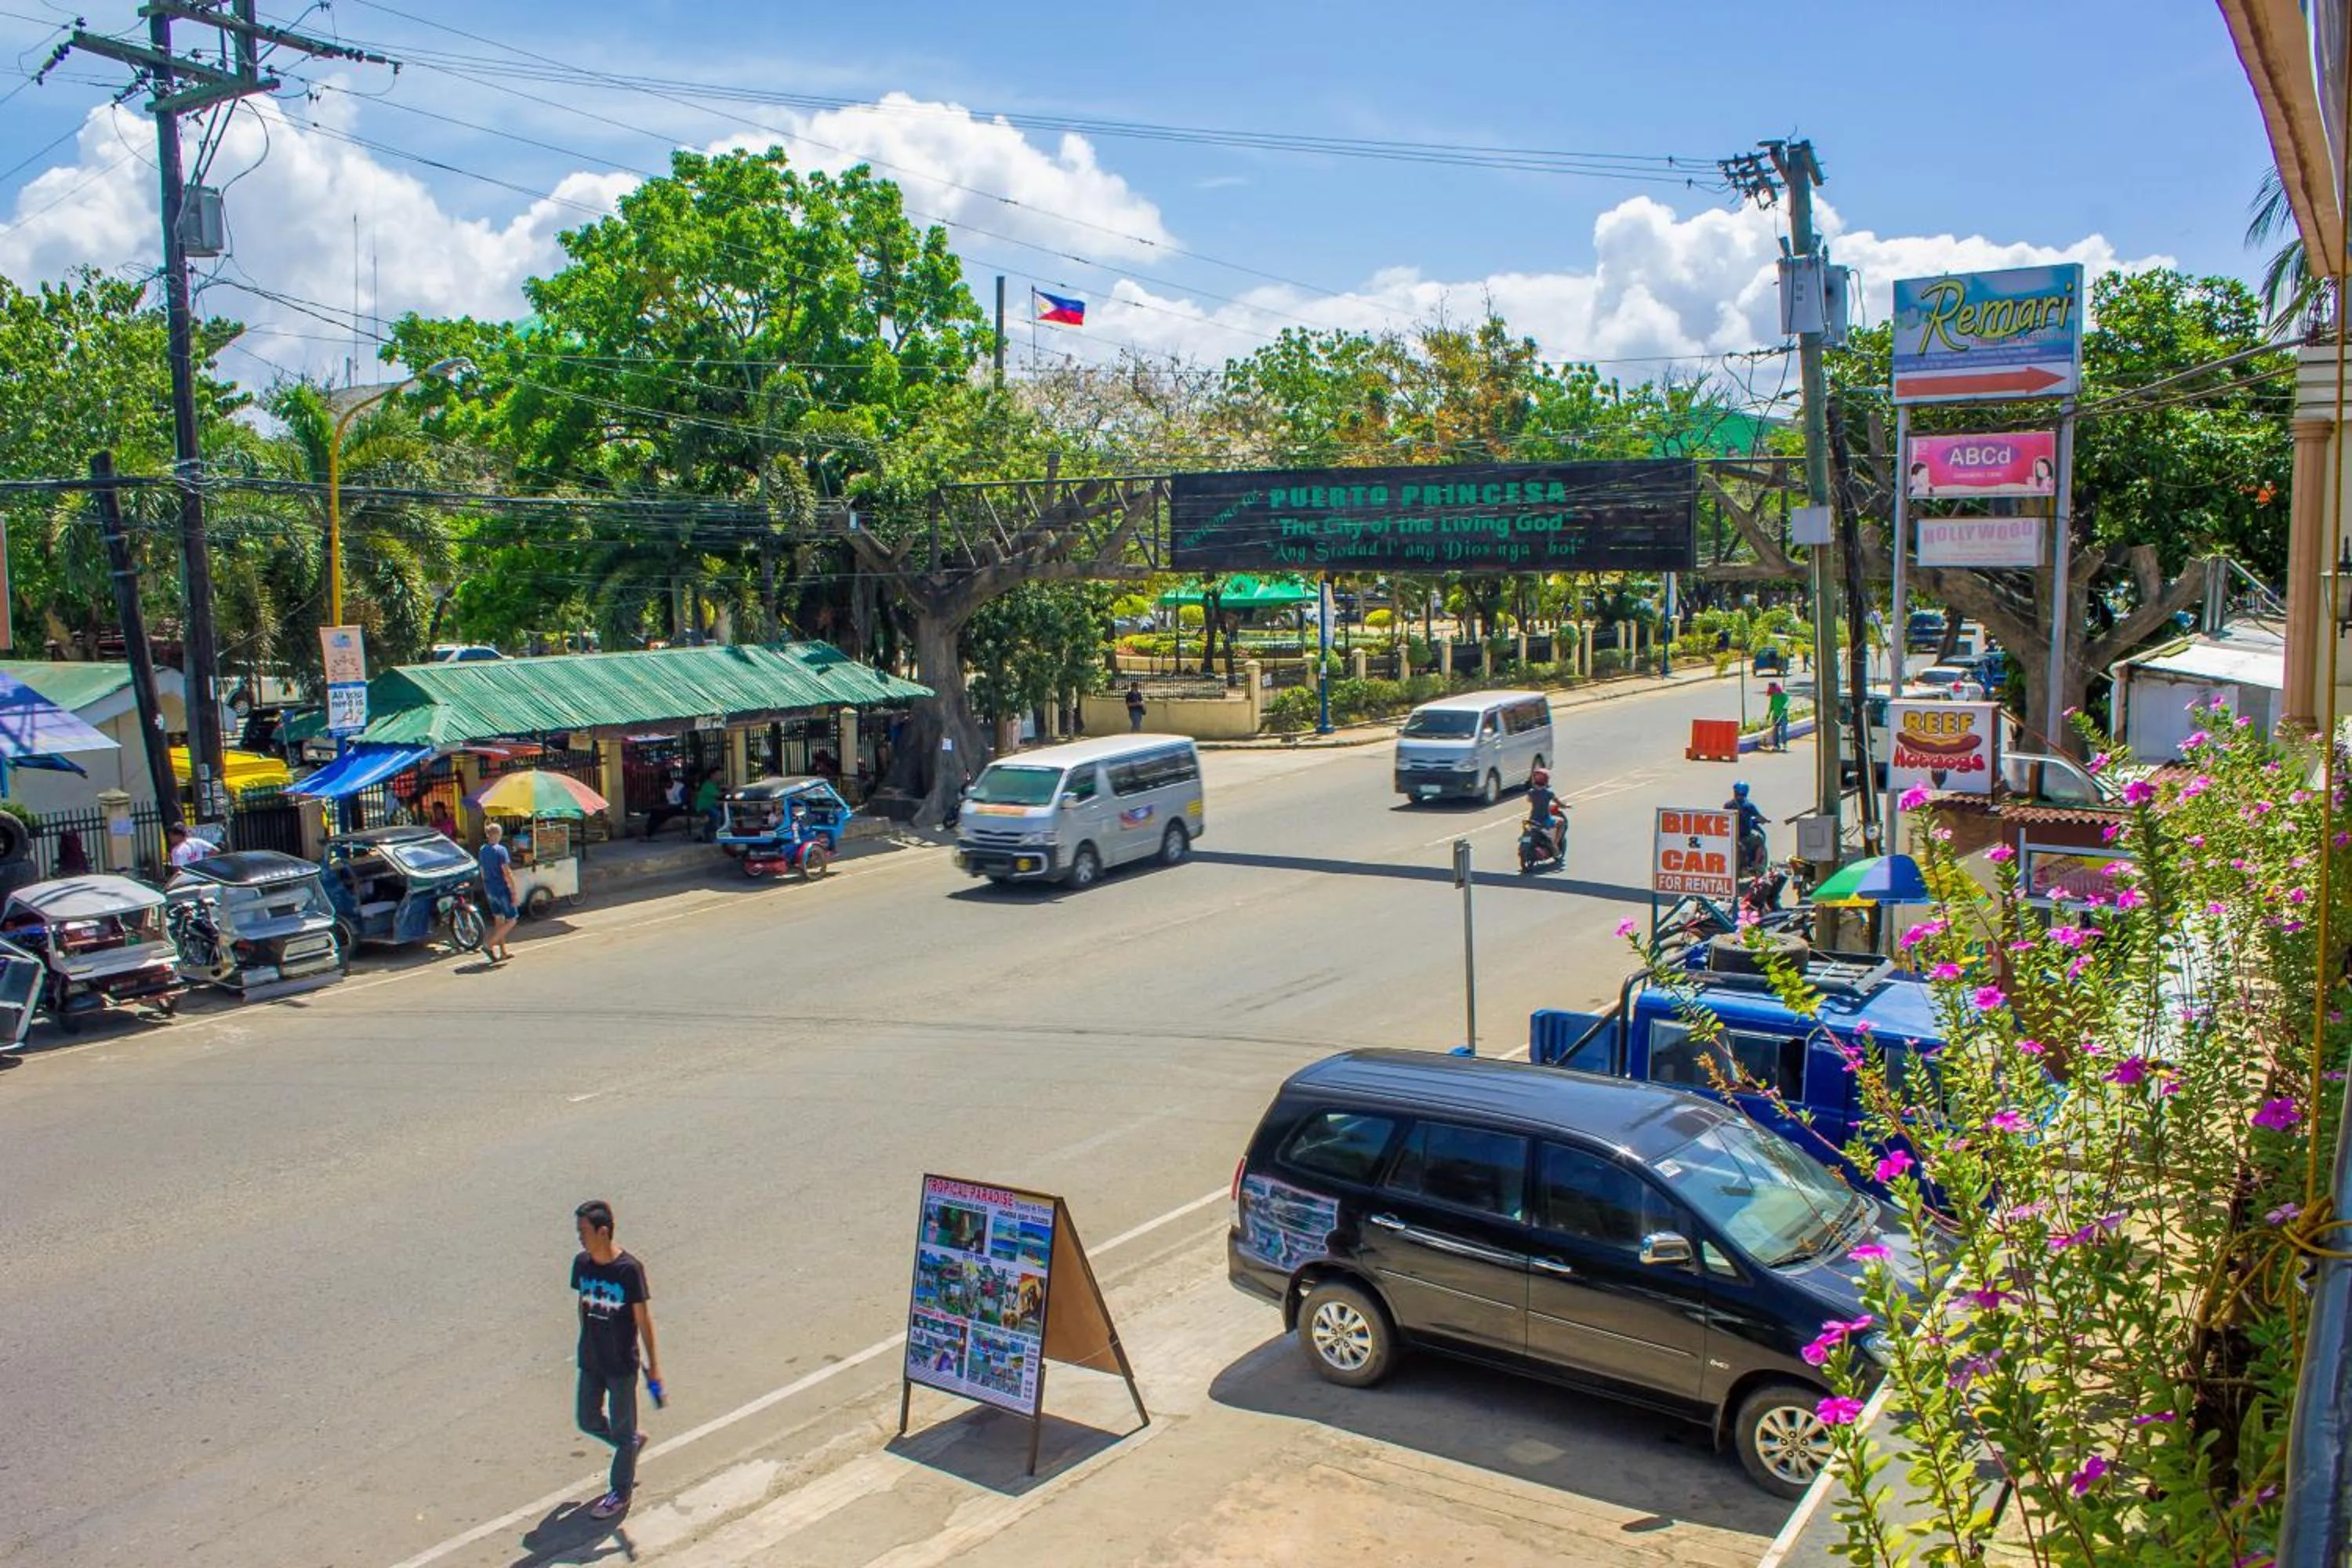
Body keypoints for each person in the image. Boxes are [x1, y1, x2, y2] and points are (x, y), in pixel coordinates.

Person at [571, 1200, 662, 1523]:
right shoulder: (582, 1264)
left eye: (584, 1231)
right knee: (587, 1418)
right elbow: (582, 1308)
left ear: (603, 1231)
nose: (580, 1237)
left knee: (623, 1432)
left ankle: (620, 1492)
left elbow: (643, 1320)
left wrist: (654, 1368)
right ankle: (630, 1445)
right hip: (592, 1360)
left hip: (621, 1365)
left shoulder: (628, 1271)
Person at [477, 820, 519, 963]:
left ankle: (503, 951)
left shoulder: (483, 850)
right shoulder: (500, 850)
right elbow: (507, 872)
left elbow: (482, 872)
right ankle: (490, 945)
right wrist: (514, 891)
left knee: (499, 919)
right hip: (501, 888)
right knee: (512, 919)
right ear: (497, 834)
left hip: (490, 888)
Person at [1524, 766, 1566, 861]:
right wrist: (1565, 806)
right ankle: (1555, 844)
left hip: (1533, 820)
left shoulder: (1531, 792)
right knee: (1562, 821)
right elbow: (1559, 803)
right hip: (1545, 820)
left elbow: (1529, 800)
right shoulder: (1549, 793)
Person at [1728, 781, 1768, 879]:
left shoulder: (1728, 805)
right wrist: (1765, 820)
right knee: (1760, 839)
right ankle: (1756, 864)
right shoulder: (1749, 806)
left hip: (1731, 837)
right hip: (1744, 837)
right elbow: (1759, 818)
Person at [644, 772, 687, 839]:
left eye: (665, 784)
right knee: (655, 811)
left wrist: (669, 806)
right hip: (670, 807)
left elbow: (683, 802)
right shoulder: (665, 789)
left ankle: (649, 832)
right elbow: (668, 800)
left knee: (662, 814)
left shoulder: (680, 787)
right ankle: (648, 831)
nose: (665, 787)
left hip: (681, 808)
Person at [691, 774, 723, 841]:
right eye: (719, 775)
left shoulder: (713, 785)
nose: (720, 777)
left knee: (725, 813)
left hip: (710, 806)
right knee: (715, 814)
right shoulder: (707, 785)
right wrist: (731, 789)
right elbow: (718, 795)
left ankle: (718, 833)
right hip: (703, 807)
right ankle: (709, 836)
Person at [1766, 681, 1791, 752]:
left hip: (1783, 716)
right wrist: (1769, 713)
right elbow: (1771, 705)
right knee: (1775, 731)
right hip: (1775, 716)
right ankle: (1776, 746)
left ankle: (1784, 746)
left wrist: (1785, 707)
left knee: (1783, 731)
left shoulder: (1783, 694)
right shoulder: (1773, 695)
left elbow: (1788, 702)